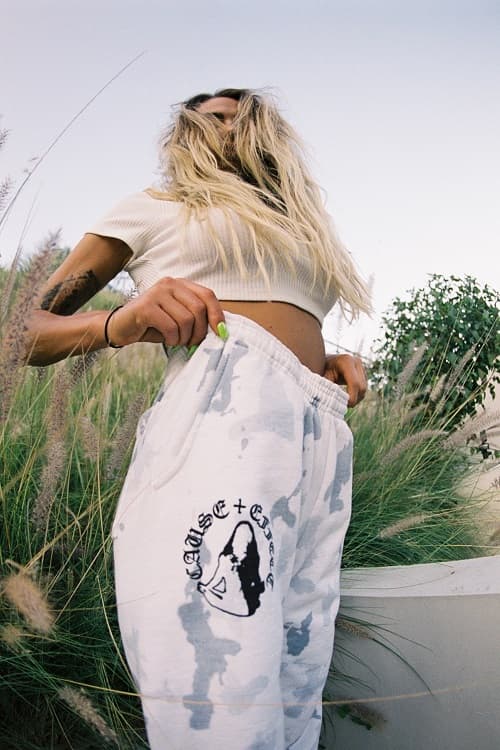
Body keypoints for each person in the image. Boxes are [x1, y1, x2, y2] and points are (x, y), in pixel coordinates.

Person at [27, 88, 371, 750]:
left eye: (245, 117)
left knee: (295, 682)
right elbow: (22, 332)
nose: (232, 127)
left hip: (317, 437)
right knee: (222, 682)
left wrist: (319, 360)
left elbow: (272, 318)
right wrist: (120, 321)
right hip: (221, 423)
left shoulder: (298, 225)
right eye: (214, 117)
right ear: (185, 131)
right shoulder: (157, 208)